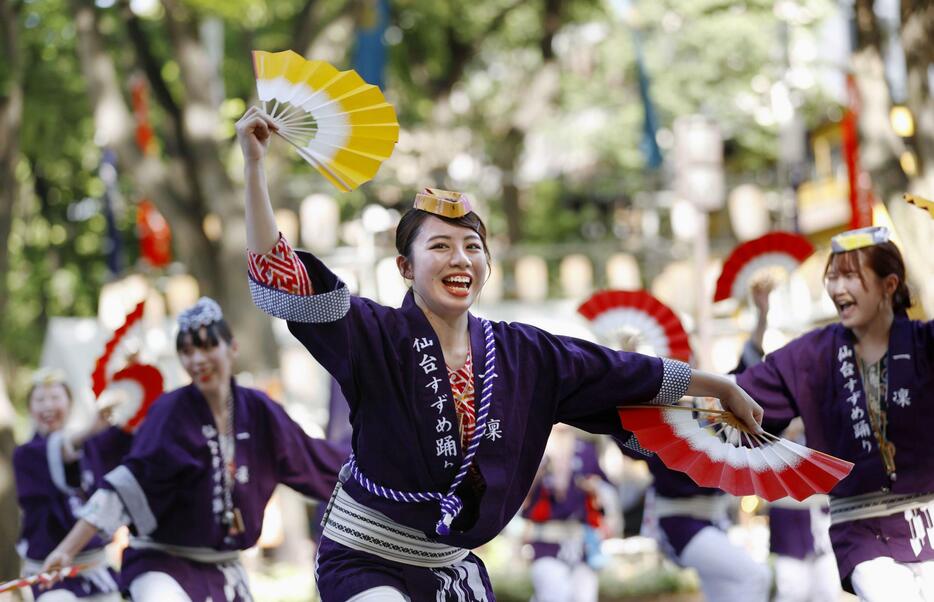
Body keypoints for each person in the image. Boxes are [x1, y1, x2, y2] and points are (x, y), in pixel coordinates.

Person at [235, 106, 764, 600]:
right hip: (365, 557)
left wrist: (718, 385)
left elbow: (617, 371)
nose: (459, 258)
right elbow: (282, 273)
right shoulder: (375, 333)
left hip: (451, 568)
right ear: (404, 268)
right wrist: (254, 165)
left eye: (472, 247)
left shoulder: (523, 352)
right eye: (439, 246)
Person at [41, 298, 346, 602]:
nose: (197, 360)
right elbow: (124, 488)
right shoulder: (169, 413)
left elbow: (317, 461)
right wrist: (66, 550)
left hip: (224, 566)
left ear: (232, 347)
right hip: (162, 565)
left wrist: (381, 478)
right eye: (187, 352)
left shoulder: (259, 410)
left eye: (207, 347)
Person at [735, 226, 934, 601]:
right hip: (861, 533)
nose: (838, 288)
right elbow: (741, 394)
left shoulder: (924, 344)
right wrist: (671, 389)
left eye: (851, 277)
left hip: (928, 521)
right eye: (833, 277)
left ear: (889, 285)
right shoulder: (810, 356)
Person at [14, 368, 131, 601]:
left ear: (69, 404)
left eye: (55, 398)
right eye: (40, 400)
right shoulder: (26, 455)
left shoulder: (91, 445)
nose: (48, 406)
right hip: (49, 573)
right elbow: (62, 450)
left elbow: (126, 440)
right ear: (30, 408)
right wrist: (89, 430)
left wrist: (129, 382)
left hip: (94, 566)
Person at [521, 426, 611, 602]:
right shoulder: (534, 449)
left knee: (584, 597)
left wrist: (595, 488)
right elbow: (519, 497)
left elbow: (606, 489)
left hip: (582, 541)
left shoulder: (586, 449)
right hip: (545, 540)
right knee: (554, 595)